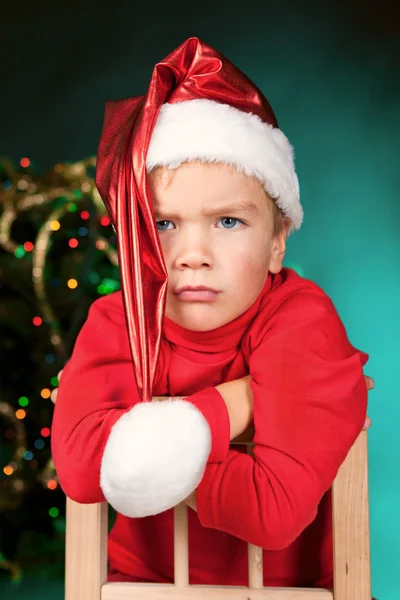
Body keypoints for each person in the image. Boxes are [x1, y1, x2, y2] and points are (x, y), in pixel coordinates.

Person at [51, 38, 374, 590]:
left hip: (282, 591)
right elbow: (82, 471)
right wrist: (236, 402)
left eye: (227, 222)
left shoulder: (299, 320)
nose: (191, 254)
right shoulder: (121, 318)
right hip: (139, 585)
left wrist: (152, 440)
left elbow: (273, 511)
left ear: (277, 244)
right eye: (164, 224)